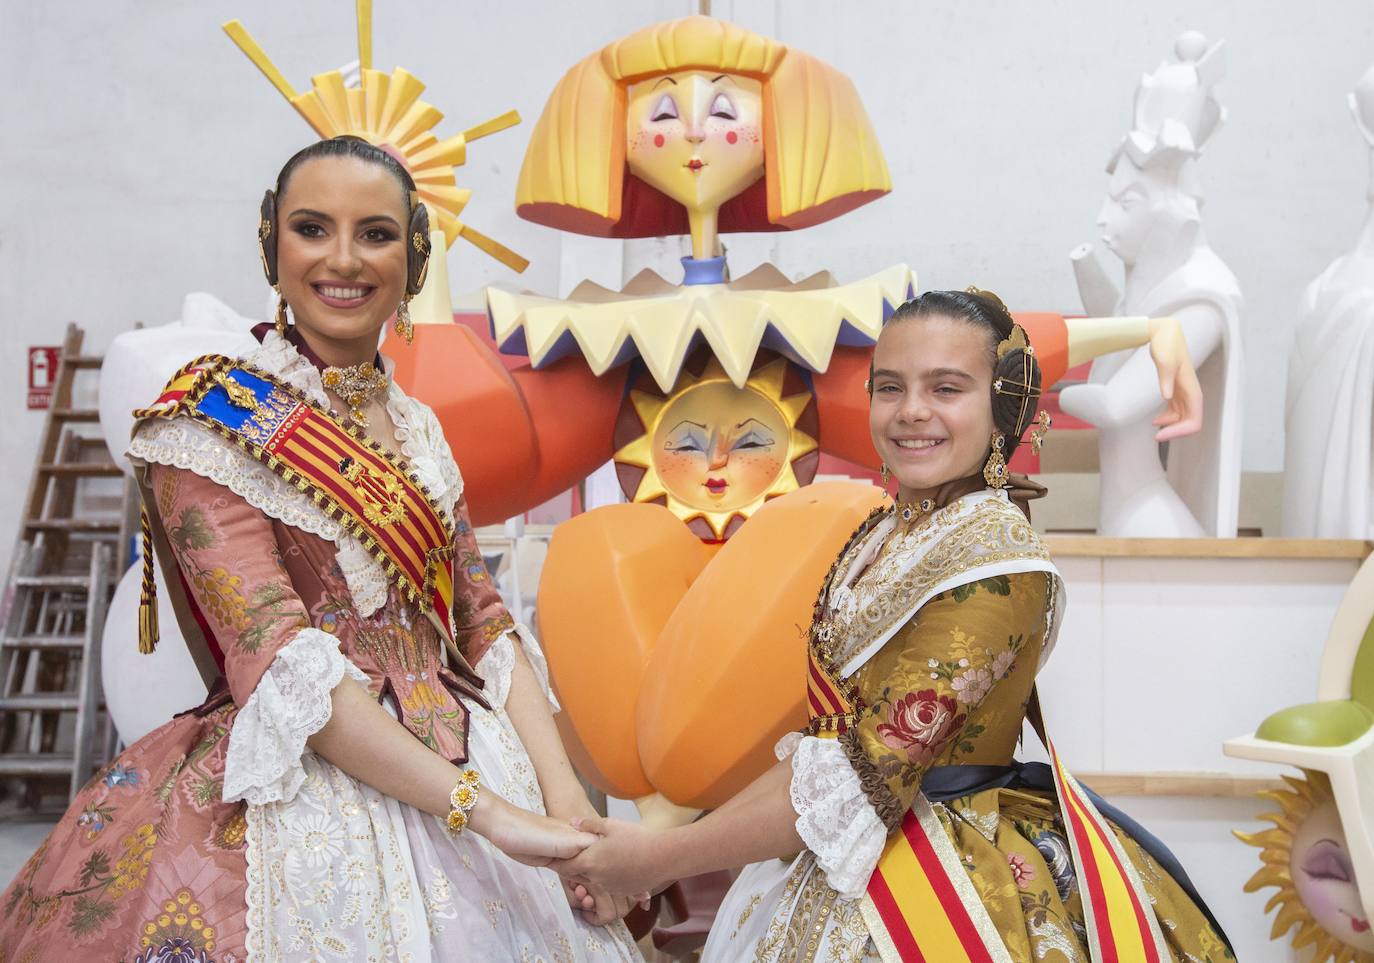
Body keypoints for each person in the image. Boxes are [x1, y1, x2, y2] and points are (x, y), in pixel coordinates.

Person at [0, 136, 641, 962]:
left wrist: (565, 810)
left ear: (413, 259)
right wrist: (494, 816)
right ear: (272, 242)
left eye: (375, 233)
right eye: (312, 228)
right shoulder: (208, 426)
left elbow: (480, 619)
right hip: (309, 784)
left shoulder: (418, 426)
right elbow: (277, 658)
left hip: (480, 758)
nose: (343, 259)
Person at [553, 289, 1230, 962]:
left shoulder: (997, 555)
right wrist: (658, 859)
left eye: (946, 387)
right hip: (839, 845)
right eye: (890, 386)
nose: (912, 411)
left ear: (1000, 407)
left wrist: (658, 856)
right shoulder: (881, 533)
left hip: (952, 871)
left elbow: (863, 772)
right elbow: (818, 751)